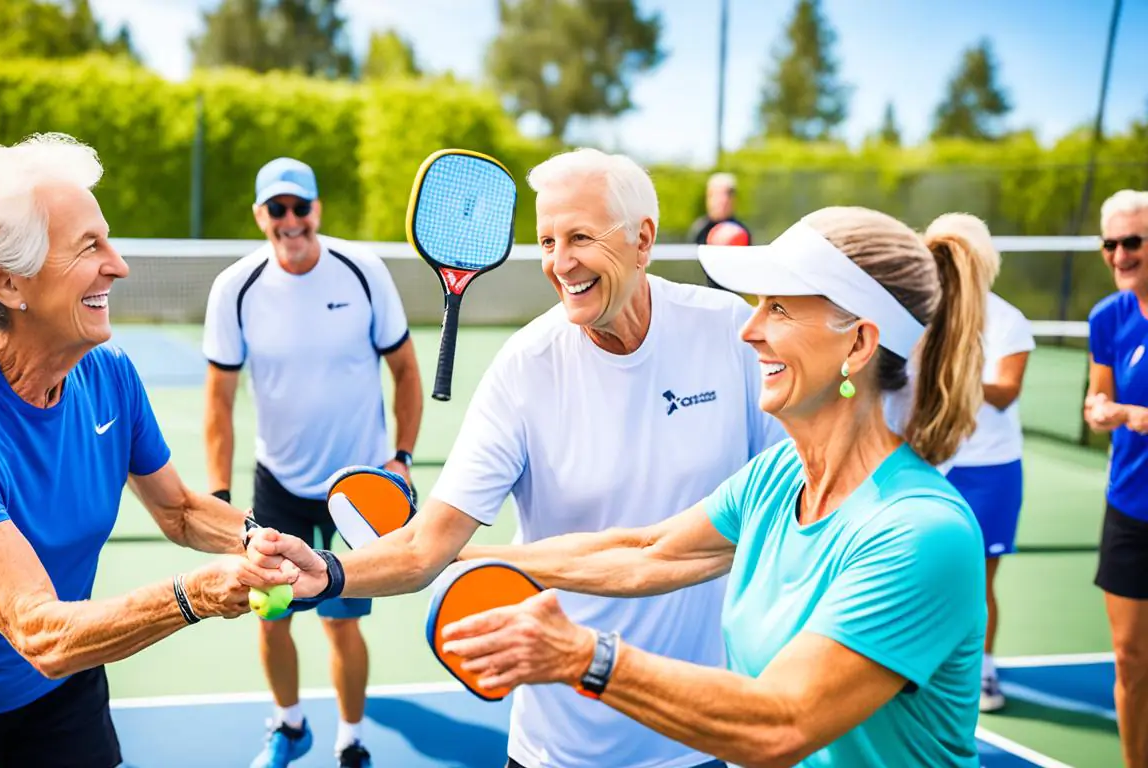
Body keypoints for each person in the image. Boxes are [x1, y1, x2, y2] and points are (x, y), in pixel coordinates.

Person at [265, 206, 994, 767]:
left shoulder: (918, 534)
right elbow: (642, 552)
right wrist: (375, 566)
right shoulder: (778, 479)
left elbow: (781, 722)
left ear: (860, 343)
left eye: (777, 308)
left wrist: (585, 657)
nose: (749, 333)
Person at [248, 147, 785, 768]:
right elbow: (428, 546)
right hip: (557, 748)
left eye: (580, 236)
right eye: (547, 241)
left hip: (706, 739)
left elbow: (768, 524)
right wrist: (330, 572)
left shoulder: (732, 333)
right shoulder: (524, 368)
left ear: (643, 240)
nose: (561, 263)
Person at [0, 133, 270, 768]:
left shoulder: (110, 374)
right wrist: (195, 596)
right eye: (88, 247)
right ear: (8, 284)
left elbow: (181, 511)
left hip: (57, 683)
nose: (118, 265)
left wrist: (264, 541)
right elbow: (38, 630)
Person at [202, 156, 423, 768]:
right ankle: (290, 724)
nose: (291, 220)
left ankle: (351, 740)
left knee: (341, 624)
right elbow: (218, 399)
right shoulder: (236, 288)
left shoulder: (363, 272)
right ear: (261, 216)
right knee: (271, 617)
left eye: (301, 207)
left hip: (357, 492)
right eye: (278, 209)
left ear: (317, 210)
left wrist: (400, 459)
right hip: (277, 486)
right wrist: (220, 500)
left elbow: (405, 370)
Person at [924, 214, 1033, 713]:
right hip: (930, 463)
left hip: (991, 469)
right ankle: (924, 666)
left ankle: (983, 673)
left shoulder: (1007, 319)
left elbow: (1007, 391)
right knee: (923, 572)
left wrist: (953, 373)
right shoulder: (923, 311)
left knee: (979, 579)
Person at [1085, 189, 1148, 768]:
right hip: (1130, 509)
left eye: (1132, 242)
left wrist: (1130, 415)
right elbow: (1096, 398)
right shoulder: (1108, 317)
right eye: (1111, 244)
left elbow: (1129, 412)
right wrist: (1100, 411)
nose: (1120, 254)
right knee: (1128, 658)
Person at [687, 172, 751, 247]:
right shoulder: (699, 229)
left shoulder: (740, 230)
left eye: (727, 194)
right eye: (717, 195)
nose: (722, 200)